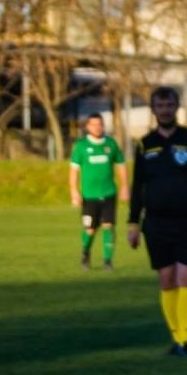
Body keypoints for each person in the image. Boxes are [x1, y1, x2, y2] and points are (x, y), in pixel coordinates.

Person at [127, 86, 187, 356]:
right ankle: (177, 339)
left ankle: (186, 340)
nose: (165, 110)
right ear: (153, 109)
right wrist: (133, 223)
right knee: (167, 280)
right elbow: (137, 186)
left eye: (169, 105)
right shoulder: (145, 144)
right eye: (160, 106)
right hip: (156, 223)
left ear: (177, 107)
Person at [69, 112, 128, 271]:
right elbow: (74, 171)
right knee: (90, 229)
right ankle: (85, 252)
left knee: (108, 226)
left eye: (100, 124)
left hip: (109, 193)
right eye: (93, 124)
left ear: (103, 126)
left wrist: (124, 186)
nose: (97, 127)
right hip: (89, 196)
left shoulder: (111, 144)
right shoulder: (81, 146)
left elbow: (121, 166)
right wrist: (74, 191)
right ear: (88, 127)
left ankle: (107, 261)